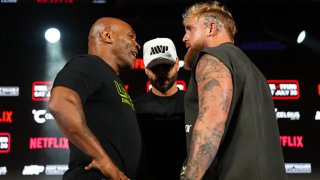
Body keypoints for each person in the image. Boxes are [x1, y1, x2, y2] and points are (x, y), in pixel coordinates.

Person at [180, 1, 287, 180]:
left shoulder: (211, 59)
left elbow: (211, 121)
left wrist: (189, 177)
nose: (184, 37)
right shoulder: (254, 72)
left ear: (211, 28)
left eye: (189, 29)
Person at [48, 17, 142, 180]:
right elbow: (60, 103)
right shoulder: (90, 64)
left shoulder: (111, 78)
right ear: (107, 35)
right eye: (131, 36)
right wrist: (103, 161)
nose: (137, 44)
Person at [134, 38, 187, 180]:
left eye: (166, 66)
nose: (161, 73)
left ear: (177, 64)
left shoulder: (194, 104)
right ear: (145, 69)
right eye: (155, 68)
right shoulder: (135, 108)